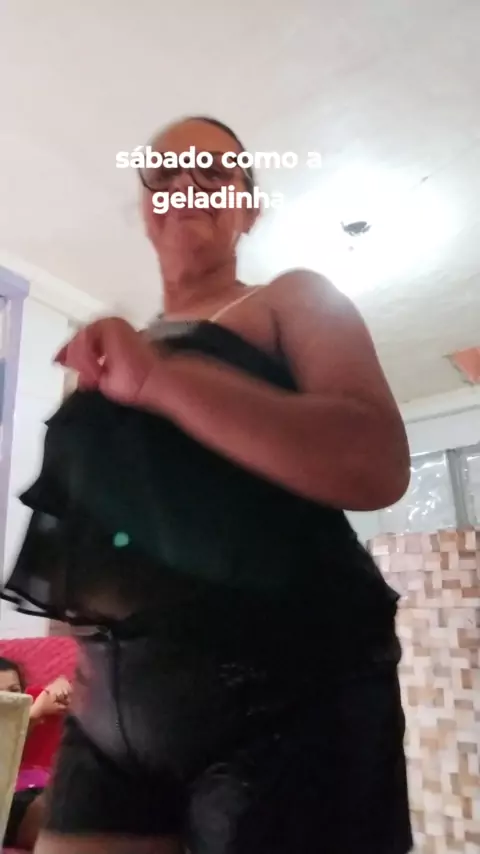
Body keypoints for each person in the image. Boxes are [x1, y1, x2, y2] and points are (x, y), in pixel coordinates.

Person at [1, 117, 413, 854]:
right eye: (166, 173)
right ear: (147, 207)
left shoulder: (292, 299)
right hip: (112, 716)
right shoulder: (108, 353)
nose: (187, 184)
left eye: (214, 172)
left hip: (289, 697)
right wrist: (80, 652)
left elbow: (375, 460)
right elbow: (97, 537)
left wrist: (161, 382)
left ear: (248, 208)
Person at [0, 657, 71, 850]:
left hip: (46, 789)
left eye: (14, 691)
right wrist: (34, 713)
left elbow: (61, 686)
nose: (10, 700)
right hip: (11, 800)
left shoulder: (33, 703)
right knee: (52, 806)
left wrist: (60, 685)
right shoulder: (34, 710)